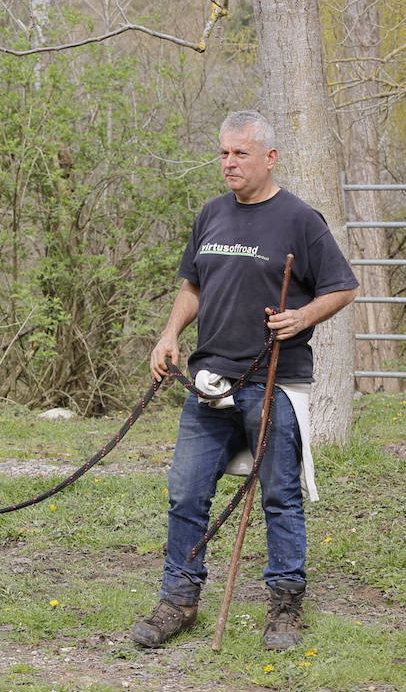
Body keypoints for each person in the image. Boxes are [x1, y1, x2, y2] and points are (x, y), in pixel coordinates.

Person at [132, 110, 359, 651]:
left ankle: (284, 607)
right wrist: (169, 335)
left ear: (270, 157)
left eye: (241, 154)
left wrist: (303, 317)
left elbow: (343, 286)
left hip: (273, 382)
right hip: (209, 379)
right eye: (224, 153)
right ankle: (178, 602)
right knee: (186, 493)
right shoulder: (211, 214)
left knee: (279, 496)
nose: (229, 163)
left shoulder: (301, 220)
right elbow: (192, 286)